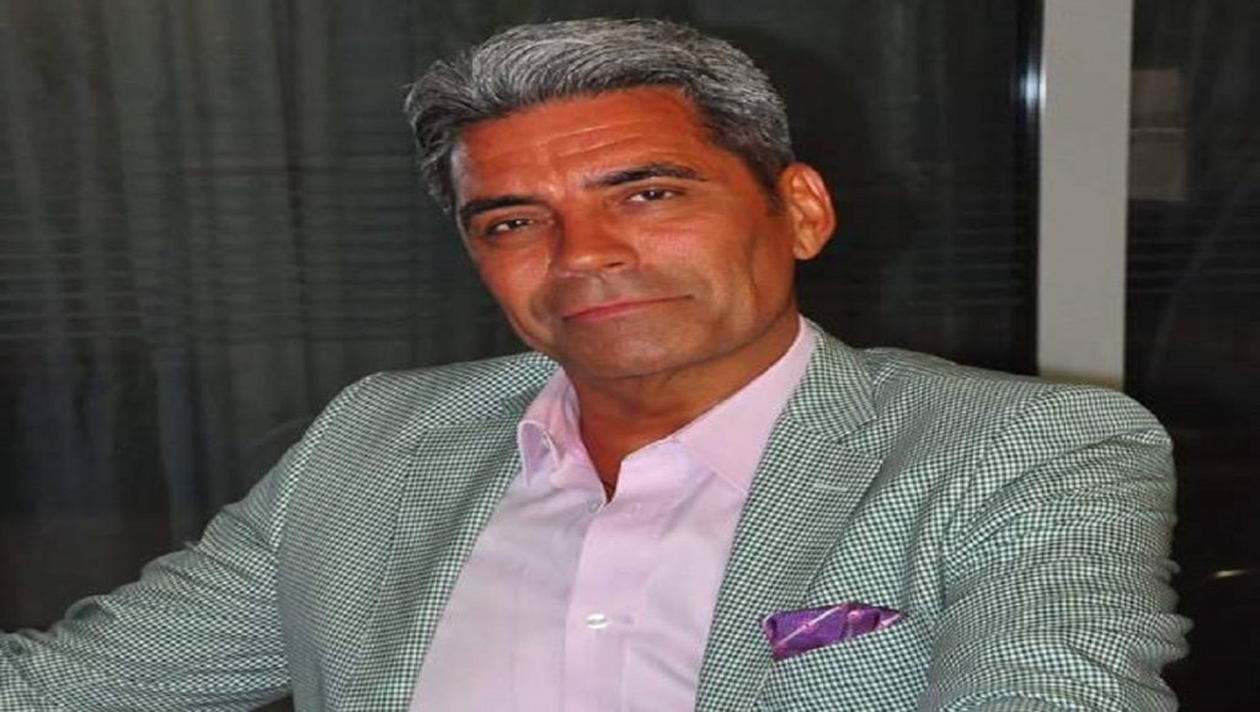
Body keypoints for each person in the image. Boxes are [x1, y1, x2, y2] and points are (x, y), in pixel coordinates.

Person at [1, 17, 1187, 712]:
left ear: (801, 211)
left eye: (649, 194)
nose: (584, 256)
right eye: (514, 220)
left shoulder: (1015, 452)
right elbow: (70, 688)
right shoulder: (375, 441)